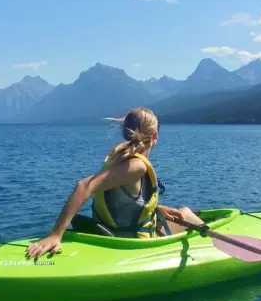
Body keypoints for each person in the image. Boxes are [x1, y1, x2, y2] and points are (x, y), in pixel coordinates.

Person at [26, 106, 204, 259]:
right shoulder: (137, 166)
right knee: (186, 213)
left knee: (177, 214)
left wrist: (155, 208)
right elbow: (84, 186)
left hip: (115, 232)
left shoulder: (118, 156)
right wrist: (55, 235)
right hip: (131, 243)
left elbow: (123, 201)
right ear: (155, 136)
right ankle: (216, 254)